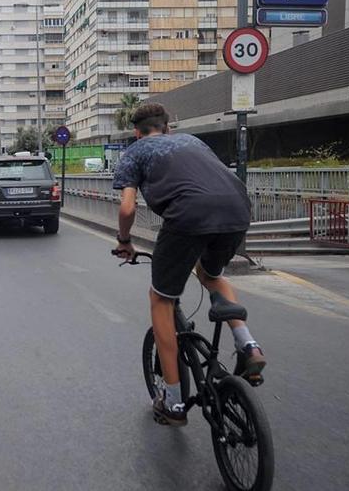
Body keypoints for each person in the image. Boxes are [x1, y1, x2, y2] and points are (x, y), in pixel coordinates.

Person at [112, 103, 266, 427]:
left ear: (137, 133)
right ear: (168, 128)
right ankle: (248, 344)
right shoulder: (193, 142)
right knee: (211, 274)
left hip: (187, 215)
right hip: (238, 210)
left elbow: (127, 208)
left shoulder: (135, 153)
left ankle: (174, 401)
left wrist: (124, 241)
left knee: (161, 299)